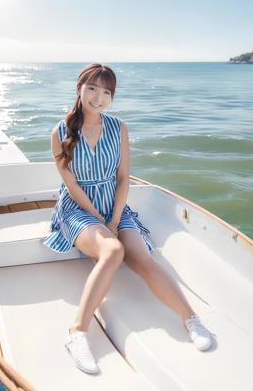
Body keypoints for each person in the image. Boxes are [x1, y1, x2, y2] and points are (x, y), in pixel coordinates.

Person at [43, 63, 212, 375]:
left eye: (106, 92)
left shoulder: (118, 127)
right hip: (79, 208)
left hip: (115, 204)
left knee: (141, 258)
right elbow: (71, 185)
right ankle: (77, 332)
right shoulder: (60, 132)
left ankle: (191, 319)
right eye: (92, 88)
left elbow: (123, 178)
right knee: (113, 250)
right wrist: (100, 220)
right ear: (79, 89)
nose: (99, 97)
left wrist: (116, 217)